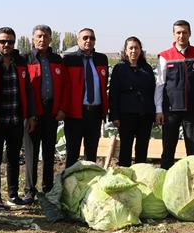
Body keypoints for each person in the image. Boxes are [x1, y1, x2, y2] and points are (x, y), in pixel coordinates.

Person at [0, 27, 37, 209]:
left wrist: (30, 115)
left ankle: (13, 195)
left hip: (16, 118)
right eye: (3, 41)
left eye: (10, 42)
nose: (6, 45)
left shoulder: (21, 62)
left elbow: (29, 90)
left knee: (14, 158)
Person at [155, 20, 194, 169]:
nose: (181, 35)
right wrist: (159, 109)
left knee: (193, 151)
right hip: (171, 111)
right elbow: (160, 85)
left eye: (184, 32)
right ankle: (164, 179)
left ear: (190, 33)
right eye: (178, 32)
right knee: (168, 150)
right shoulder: (165, 56)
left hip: (193, 110)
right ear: (173, 35)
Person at [23, 25, 67, 203]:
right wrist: (29, 114)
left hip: (51, 112)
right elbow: (24, 90)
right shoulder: (26, 59)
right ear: (33, 39)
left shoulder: (57, 60)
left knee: (49, 152)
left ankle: (47, 188)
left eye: (46, 36)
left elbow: (64, 86)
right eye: (39, 36)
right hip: (33, 112)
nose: (42, 40)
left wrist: (62, 108)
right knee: (31, 152)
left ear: (50, 39)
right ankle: (29, 190)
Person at [62, 28, 109, 165]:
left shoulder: (101, 59)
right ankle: (69, 184)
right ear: (78, 41)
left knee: (91, 153)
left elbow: (103, 84)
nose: (89, 41)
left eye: (92, 38)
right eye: (85, 38)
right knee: (72, 152)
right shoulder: (69, 59)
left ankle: (91, 185)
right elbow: (65, 86)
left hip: (95, 113)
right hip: (75, 114)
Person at [108, 36, 157, 166]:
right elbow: (113, 93)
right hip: (126, 116)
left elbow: (153, 91)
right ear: (125, 50)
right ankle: (125, 177)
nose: (134, 51)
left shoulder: (147, 68)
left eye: (136, 48)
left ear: (140, 50)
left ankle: (140, 176)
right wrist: (114, 115)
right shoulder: (119, 69)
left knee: (142, 149)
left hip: (145, 115)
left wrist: (154, 113)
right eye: (131, 48)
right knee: (125, 149)